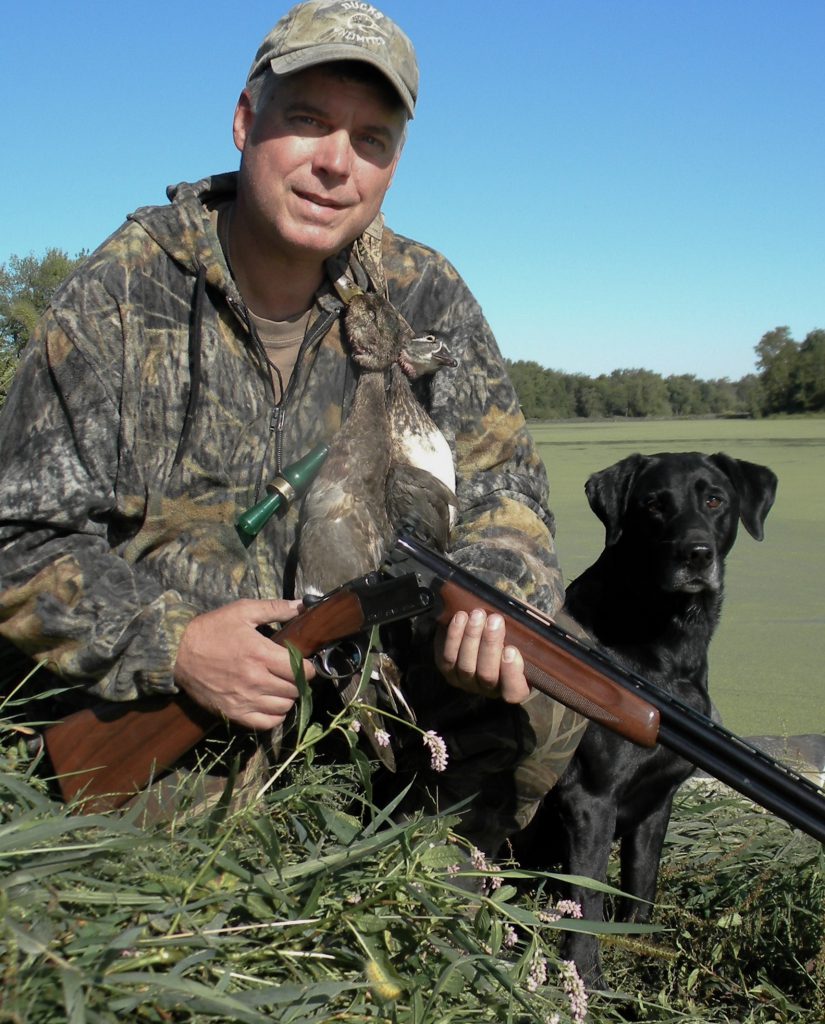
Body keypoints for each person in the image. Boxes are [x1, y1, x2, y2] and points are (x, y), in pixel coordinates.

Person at [0, 0, 585, 852]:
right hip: (180, 688)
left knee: (554, 673)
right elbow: (19, 537)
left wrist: (494, 596)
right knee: (172, 852)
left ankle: (452, 889)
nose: (334, 165)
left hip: (369, 670)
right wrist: (177, 646)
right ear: (245, 121)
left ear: (392, 164)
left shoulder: (424, 292)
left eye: (370, 140)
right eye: (308, 122)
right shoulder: (121, 295)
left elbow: (508, 491)